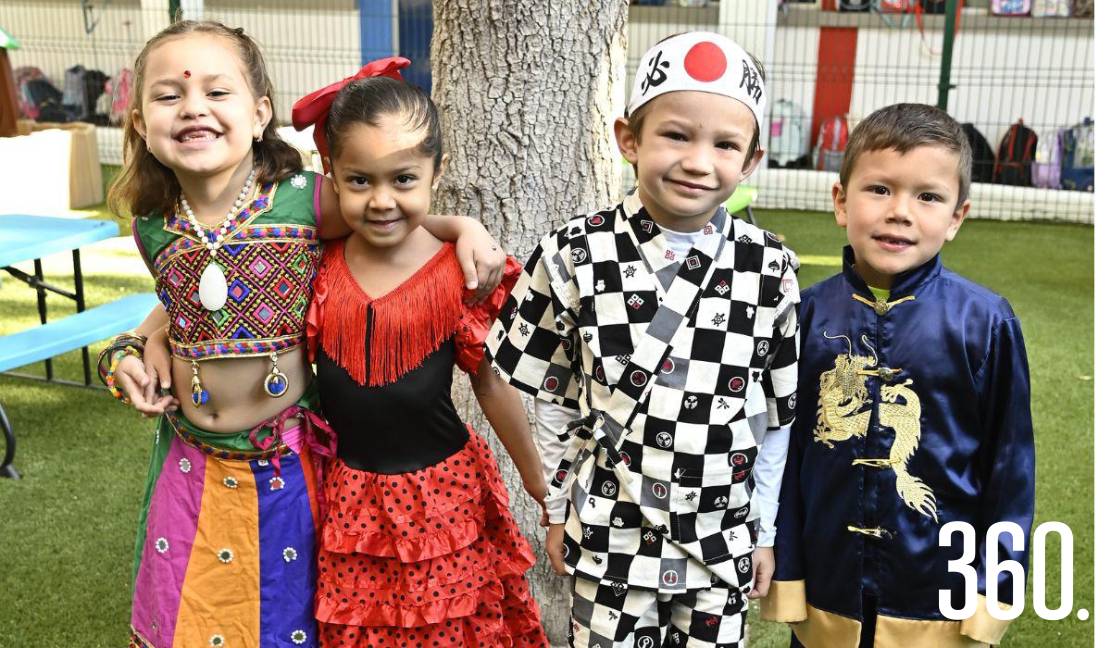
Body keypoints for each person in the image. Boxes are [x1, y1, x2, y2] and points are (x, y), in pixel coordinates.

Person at [98, 20, 507, 648]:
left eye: (216, 91)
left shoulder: (303, 201)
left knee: (285, 615)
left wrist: (463, 228)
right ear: (139, 123)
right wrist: (136, 344)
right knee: (190, 610)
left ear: (261, 113)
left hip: (287, 463)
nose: (194, 108)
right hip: (189, 460)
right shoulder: (152, 225)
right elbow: (178, 300)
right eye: (169, 95)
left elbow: (386, 215)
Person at [486, 31, 800, 647]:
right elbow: (552, 397)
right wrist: (556, 509)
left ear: (751, 160)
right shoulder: (572, 253)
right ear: (629, 138)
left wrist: (762, 531)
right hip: (609, 531)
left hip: (719, 535)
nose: (699, 161)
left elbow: (776, 415)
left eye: (725, 144)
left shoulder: (770, 267)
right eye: (676, 135)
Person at [760, 103, 1035, 648]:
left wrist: (994, 593)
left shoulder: (984, 322)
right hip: (827, 590)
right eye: (879, 189)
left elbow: (1009, 469)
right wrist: (787, 570)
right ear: (841, 202)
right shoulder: (804, 315)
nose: (900, 212)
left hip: (938, 595)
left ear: (957, 217)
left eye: (928, 197)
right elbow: (783, 454)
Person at [297, 73, 549, 646]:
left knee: (451, 628)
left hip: (443, 497)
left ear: (437, 172)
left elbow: (492, 385)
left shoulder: (462, 273)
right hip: (346, 496)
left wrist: (539, 484)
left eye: (403, 178)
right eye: (360, 180)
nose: (382, 200)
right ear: (330, 173)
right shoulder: (315, 265)